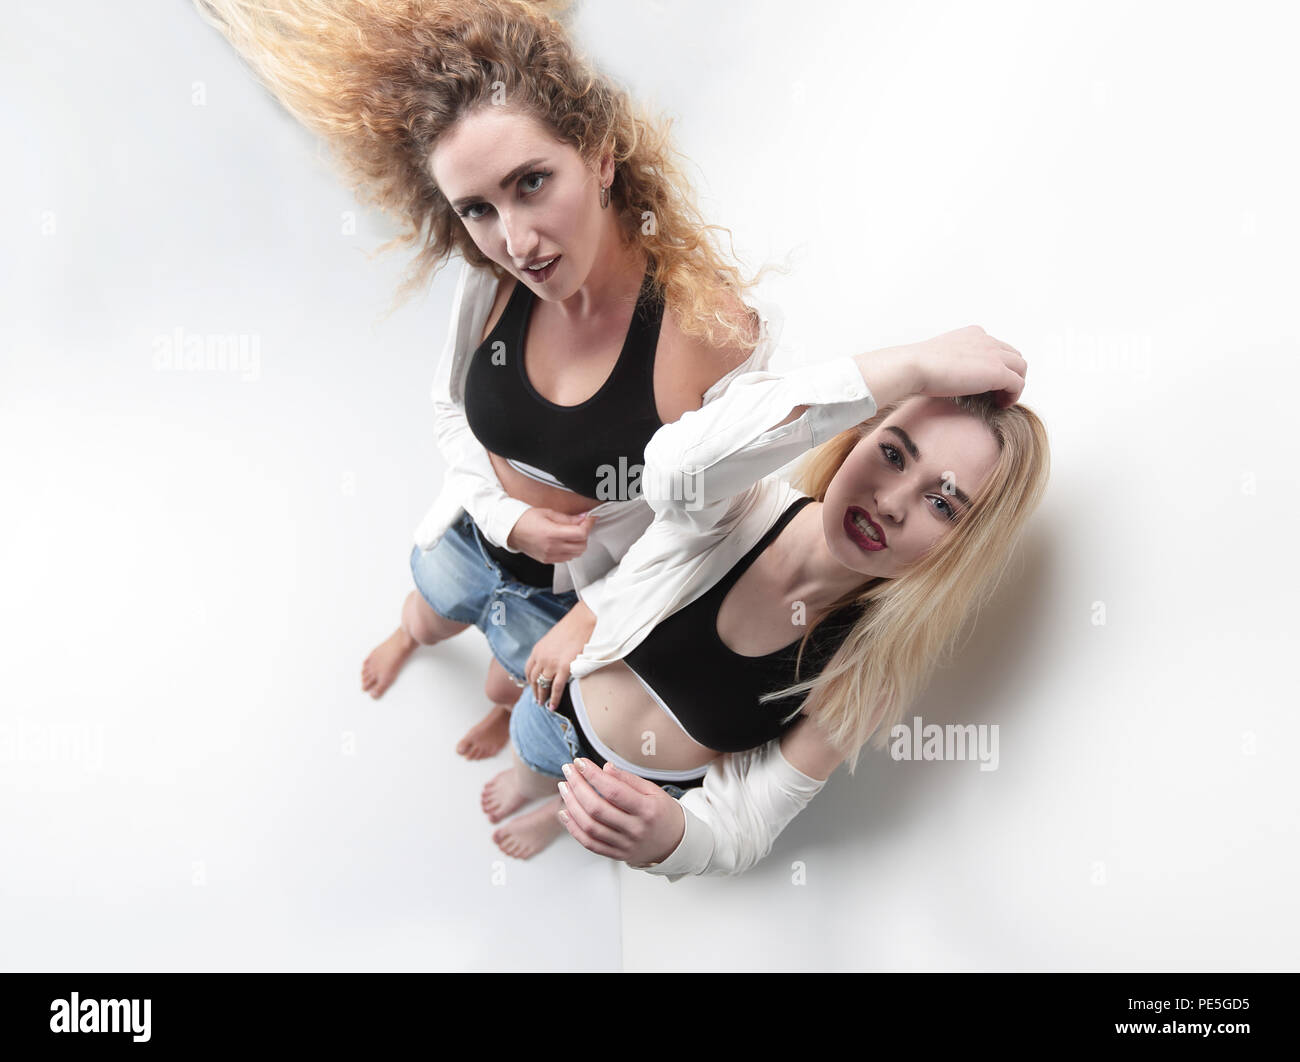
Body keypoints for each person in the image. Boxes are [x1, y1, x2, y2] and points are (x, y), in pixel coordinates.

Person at [193, 0, 782, 756]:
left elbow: (708, 530)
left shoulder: (709, 333)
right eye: (477, 208)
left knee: (512, 686)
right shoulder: (492, 281)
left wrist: (592, 615)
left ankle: (501, 712)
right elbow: (449, 412)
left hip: (562, 597)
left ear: (601, 155)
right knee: (428, 610)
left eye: (532, 182)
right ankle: (414, 637)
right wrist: (504, 520)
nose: (515, 241)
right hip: (467, 536)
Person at [485, 327, 1050, 869]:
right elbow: (673, 469)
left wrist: (671, 837)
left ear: (962, 546)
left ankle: (551, 820)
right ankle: (524, 780)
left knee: (571, 816)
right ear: (855, 435)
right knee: (524, 762)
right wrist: (907, 367)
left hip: (631, 793)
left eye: (943, 504)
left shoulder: (864, 672)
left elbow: (746, 821)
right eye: (895, 454)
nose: (893, 502)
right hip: (555, 704)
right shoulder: (738, 505)